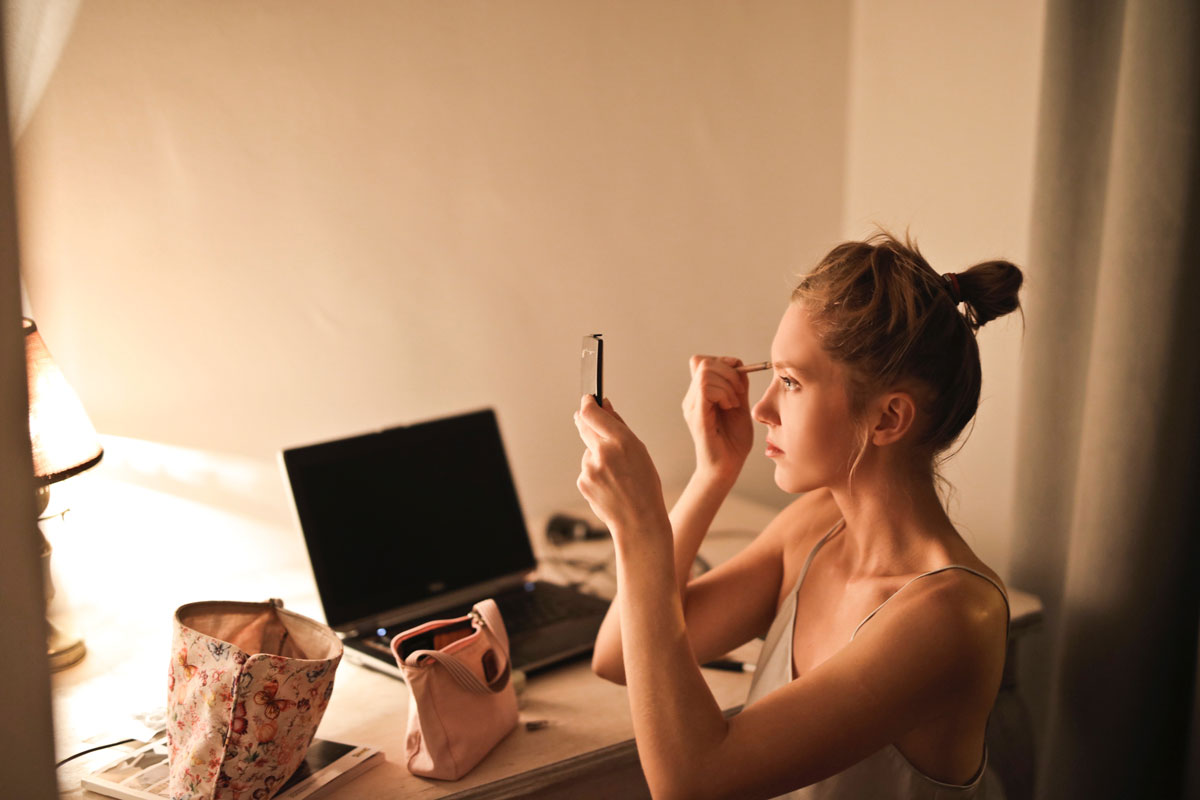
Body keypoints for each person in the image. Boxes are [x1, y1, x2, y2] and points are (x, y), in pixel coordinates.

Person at [573, 232, 1023, 800]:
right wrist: (712, 473)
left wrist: (642, 532)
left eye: (790, 382)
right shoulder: (815, 526)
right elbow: (616, 655)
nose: (761, 408)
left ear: (887, 419)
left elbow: (692, 782)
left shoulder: (952, 616)